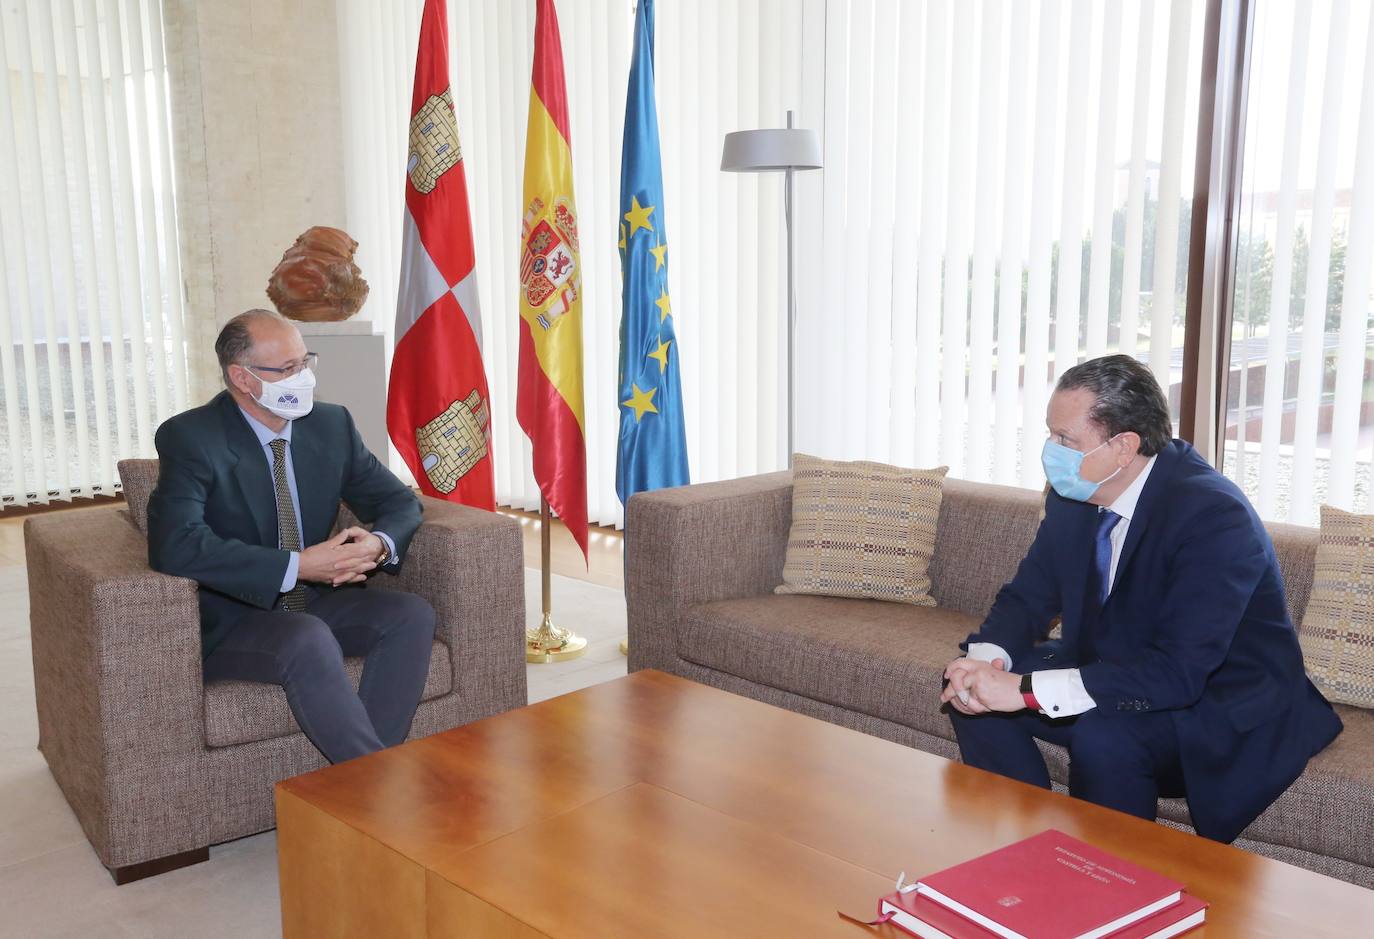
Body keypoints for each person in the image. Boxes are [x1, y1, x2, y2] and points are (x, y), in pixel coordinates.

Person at [941, 354, 1341, 843]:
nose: (1051, 451)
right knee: (974, 690)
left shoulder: (1212, 517)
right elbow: (1028, 596)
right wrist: (985, 661)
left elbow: (1178, 673)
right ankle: (1022, 845)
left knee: (1105, 735)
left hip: (1213, 704)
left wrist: (1024, 690)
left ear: (1124, 446)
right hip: (1122, 669)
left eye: (1065, 439)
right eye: (1050, 434)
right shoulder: (1078, 494)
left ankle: (1112, 888)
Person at [147, 308, 435, 764]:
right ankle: (378, 788)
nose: (303, 378)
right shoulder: (191, 438)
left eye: (305, 363)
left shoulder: (331, 425)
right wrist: (298, 566)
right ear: (242, 378)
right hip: (235, 617)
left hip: (317, 599)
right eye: (286, 369)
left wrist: (379, 544)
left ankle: (365, 776)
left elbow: (398, 502)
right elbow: (176, 544)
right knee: (305, 636)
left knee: (410, 615)